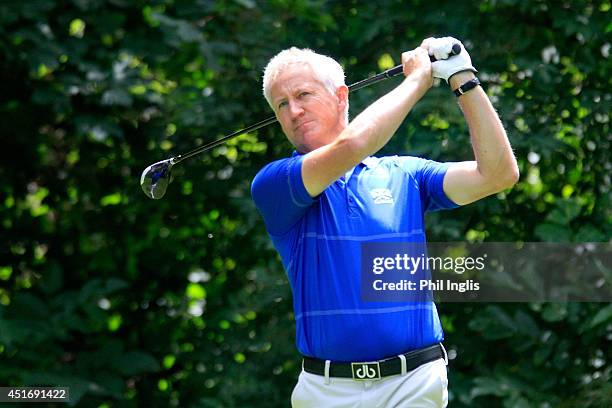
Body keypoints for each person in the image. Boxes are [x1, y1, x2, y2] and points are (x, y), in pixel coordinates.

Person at [251, 37, 519, 407]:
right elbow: (353, 144)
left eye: (304, 95)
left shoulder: (404, 174)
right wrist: (417, 81)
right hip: (327, 391)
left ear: (342, 96)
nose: (294, 111)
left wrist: (462, 78)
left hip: (413, 382)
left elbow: (498, 175)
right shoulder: (275, 183)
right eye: (282, 104)